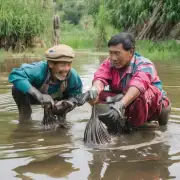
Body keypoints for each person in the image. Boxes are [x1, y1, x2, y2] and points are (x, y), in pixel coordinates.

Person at [90, 32, 171, 134]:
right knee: (96, 96)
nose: (113, 58)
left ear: (131, 51)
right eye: (111, 53)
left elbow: (138, 85)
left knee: (140, 95)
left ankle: (136, 127)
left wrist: (120, 104)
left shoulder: (145, 64)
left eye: (117, 53)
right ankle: (116, 124)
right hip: (125, 101)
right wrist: (94, 90)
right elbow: (100, 77)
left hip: (153, 106)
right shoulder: (109, 63)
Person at [8, 44, 86, 123]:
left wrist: (69, 103)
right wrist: (39, 95)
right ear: (50, 64)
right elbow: (15, 75)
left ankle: (61, 121)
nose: (66, 69)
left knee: (63, 113)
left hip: (59, 99)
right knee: (17, 88)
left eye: (69, 64)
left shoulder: (73, 75)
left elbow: (76, 94)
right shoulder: (38, 69)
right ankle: (25, 120)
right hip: (34, 97)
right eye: (63, 65)